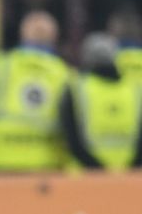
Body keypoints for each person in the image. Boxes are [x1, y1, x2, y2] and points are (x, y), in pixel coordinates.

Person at [0, 11, 73, 171]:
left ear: (22, 35)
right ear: (55, 38)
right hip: (48, 168)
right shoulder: (66, 75)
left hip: (0, 164)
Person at [61, 32, 142, 171]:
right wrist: (129, 168)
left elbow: (71, 138)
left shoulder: (76, 88)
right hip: (130, 178)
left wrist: (99, 170)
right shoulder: (135, 89)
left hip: (85, 178)